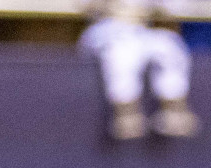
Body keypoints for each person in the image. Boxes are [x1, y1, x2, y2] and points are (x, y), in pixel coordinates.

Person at [80, 0, 199, 141]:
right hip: (107, 29)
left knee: (170, 45)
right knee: (123, 53)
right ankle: (125, 113)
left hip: (143, 30)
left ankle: (173, 109)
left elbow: (178, 7)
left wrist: (151, 11)